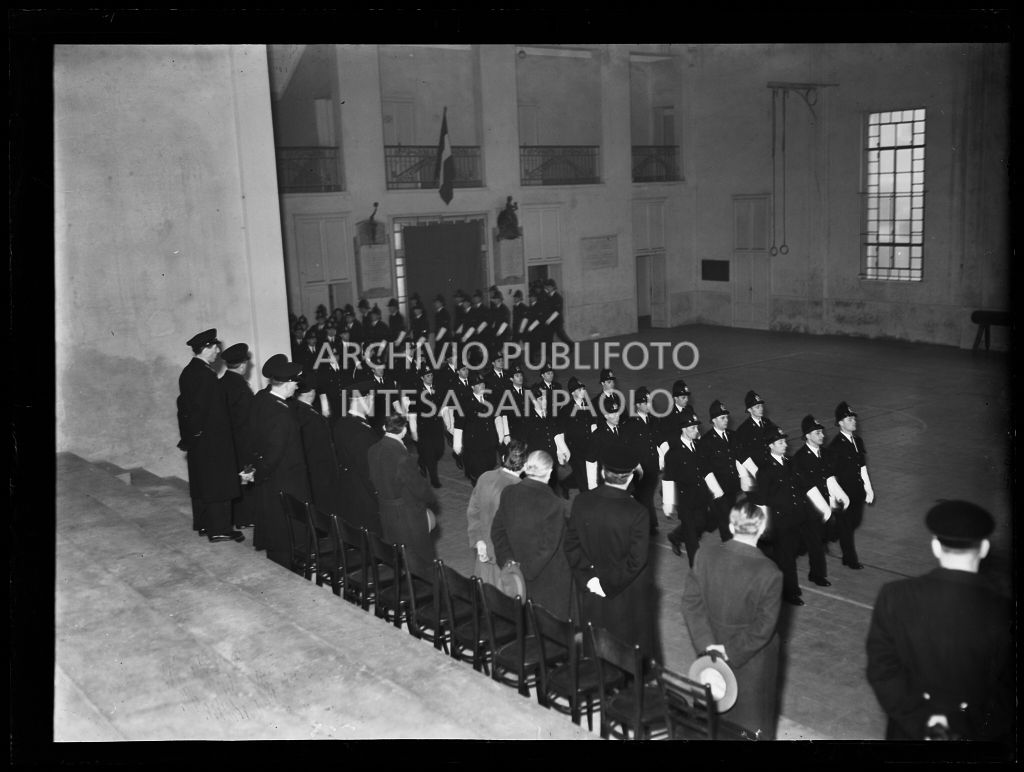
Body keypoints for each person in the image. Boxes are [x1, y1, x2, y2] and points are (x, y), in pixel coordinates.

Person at [865, 501, 1011, 742]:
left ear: (935, 546)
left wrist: (924, 722)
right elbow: (1006, 693)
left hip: (908, 732)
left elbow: (882, 671)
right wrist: (957, 724)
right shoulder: (1004, 611)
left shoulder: (894, 595)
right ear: (984, 548)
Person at [681, 495, 783, 740]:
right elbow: (763, 628)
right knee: (749, 727)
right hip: (751, 664)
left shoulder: (704, 555)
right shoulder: (769, 572)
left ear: (731, 524)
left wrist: (709, 647)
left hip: (710, 656)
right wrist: (730, 650)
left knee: (713, 718)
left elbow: (691, 604)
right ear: (760, 527)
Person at [564, 445, 657, 660]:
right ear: (629, 478)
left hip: (591, 593)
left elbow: (571, 545)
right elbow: (636, 561)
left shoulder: (581, 501)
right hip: (625, 596)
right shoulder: (637, 513)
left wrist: (590, 580)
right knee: (627, 656)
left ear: (603, 472)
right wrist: (606, 584)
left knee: (596, 650)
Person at [176, 328, 244, 542]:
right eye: (215, 348)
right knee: (218, 484)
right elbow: (212, 413)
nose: (217, 352)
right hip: (213, 440)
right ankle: (220, 529)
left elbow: (185, 409)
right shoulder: (206, 376)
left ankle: (205, 524)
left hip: (198, 440)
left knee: (202, 482)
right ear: (205, 348)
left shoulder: (189, 372)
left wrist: (193, 436)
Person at [492, 450, 573, 616]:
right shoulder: (554, 503)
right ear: (550, 472)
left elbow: (497, 532)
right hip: (548, 581)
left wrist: (510, 563)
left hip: (516, 575)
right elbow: (549, 546)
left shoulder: (508, 493)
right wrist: (528, 571)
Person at [246, 355, 308, 565]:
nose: (297, 386)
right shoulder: (283, 415)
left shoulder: (262, 399)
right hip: (285, 482)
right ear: (287, 384)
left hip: (270, 482)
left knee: (275, 533)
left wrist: (256, 471)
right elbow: (275, 453)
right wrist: (260, 473)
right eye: (295, 382)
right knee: (286, 537)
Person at [368, 414, 441, 576]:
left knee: (396, 557)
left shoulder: (373, 450)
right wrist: (431, 498)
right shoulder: (402, 456)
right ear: (404, 430)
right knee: (420, 560)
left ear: (383, 428)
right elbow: (419, 488)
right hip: (408, 515)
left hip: (386, 511)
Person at [790, 415, 849, 589]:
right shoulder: (800, 459)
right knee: (815, 543)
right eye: (817, 433)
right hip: (809, 508)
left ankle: (801, 552)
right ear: (807, 436)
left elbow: (829, 478)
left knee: (817, 540)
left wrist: (839, 496)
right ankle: (817, 575)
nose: (822, 435)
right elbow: (804, 487)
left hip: (825, 505)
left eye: (821, 432)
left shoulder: (827, 454)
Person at [755, 426, 812, 605]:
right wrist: (763, 526)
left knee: (789, 553)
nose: (785, 444)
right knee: (786, 556)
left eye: (784, 441)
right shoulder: (764, 470)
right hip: (779, 521)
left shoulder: (789, 462)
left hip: (794, 517)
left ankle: (780, 584)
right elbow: (761, 501)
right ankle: (790, 591)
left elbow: (801, 486)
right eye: (780, 442)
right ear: (771, 446)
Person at [466, 440, 527, 590]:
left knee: (485, 600)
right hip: (505, 561)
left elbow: (473, 511)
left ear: (503, 457)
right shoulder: (519, 489)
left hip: (484, 554)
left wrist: (478, 540)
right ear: (525, 464)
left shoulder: (485, 477)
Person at [826, 401, 874, 570]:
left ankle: (829, 533)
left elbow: (862, 466)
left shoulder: (858, 441)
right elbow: (829, 476)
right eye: (849, 418)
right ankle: (850, 558)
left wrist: (868, 488)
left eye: (853, 418)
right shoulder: (835, 447)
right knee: (847, 527)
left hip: (857, 491)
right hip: (843, 494)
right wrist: (834, 499)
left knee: (855, 522)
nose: (853, 421)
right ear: (840, 423)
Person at [332, 380, 382, 534]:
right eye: (371, 398)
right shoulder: (362, 433)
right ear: (362, 400)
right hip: (365, 499)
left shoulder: (342, 423)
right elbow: (369, 471)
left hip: (350, 492)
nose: (373, 402)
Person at [292, 371, 344, 519]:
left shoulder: (298, 409)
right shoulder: (310, 415)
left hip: (312, 465)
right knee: (325, 504)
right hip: (320, 466)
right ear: (311, 392)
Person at [663, 409, 711, 567]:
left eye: (697, 427)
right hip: (685, 501)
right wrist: (668, 503)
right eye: (692, 428)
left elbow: (706, 471)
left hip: (701, 497)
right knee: (692, 540)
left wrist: (715, 489)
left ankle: (676, 536)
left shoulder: (699, 446)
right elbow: (668, 479)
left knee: (701, 525)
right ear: (683, 429)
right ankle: (695, 570)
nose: (697, 431)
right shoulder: (673, 454)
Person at [220, 342, 256, 530]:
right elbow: (248, 418)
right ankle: (245, 518)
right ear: (242, 365)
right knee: (246, 478)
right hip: (244, 441)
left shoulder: (223, 382)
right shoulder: (240, 387)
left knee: (236, 478)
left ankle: (238, 517)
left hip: (230, 441)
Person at [698, 399, 742, 542]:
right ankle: (729, 549)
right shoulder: (706, 441)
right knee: (726, 520)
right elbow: (705, 468)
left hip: (732, 486)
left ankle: (683, 533)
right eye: (722, 418)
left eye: (726, 417)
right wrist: (715, 490)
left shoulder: (733, 436)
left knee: (716, 518)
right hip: (717, 489)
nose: (726, 420)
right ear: (713, 420)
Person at [622, 386, 661, 535]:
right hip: (640, 469)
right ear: (638, 405)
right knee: (644, 496)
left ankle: (643, 523)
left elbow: (657, 441)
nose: (649, 405)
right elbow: (626, 448)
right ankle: (649, 525)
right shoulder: (631, 424)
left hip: (653, 466)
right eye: (646, 403)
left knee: (645, 495)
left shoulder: (653, 420)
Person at [453, 371, 499, 485]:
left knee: (490, 465)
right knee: (478, 471)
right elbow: (459, 424)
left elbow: (495, 419)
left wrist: (500, 436)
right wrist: (457, 444)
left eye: (483, 384)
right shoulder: (465, 402)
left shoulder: (490, 399)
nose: (482, 386)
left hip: (489, 441)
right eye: (478, 385)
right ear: (472, 387)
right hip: (475, 443)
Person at [407, 363, 445, 489]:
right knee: (430, 453)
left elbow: (443, 406)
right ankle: (434, 479)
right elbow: (412, 413)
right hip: (424, 428)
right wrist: (413, 432)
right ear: (422, 378)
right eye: (427, 376)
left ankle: (421, 461)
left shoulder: (438, 388)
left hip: (437, 426)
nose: (430, 377)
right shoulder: (416, 392)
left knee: (439, 451)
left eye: (431, 375)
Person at [732, 390, 778, 488]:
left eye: (761, 406)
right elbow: (740, 454)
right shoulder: (743, 430)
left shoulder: (767, 423)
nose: (761, 409)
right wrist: (755, 472)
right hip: (757, 472)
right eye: (757, 407)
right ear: (749, 410)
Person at [560, 376, 596, 493]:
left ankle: (565, 483)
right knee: (583, 478)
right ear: (572, 392)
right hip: (575, 449)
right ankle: (586, 501)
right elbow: (560, 431)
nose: (583, 391)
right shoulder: (566, 410)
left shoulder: (588, 405)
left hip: (588, 446)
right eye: (579, 389)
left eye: (583, 389)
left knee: (584, 474)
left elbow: (593, 423)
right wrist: (562, 450)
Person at [542, 278, 572, 347]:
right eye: (546, 287)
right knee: (548, 337)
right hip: (550, 321)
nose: (547, 288)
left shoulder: (558, 297)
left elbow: (557, 312)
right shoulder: (548, 297)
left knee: (561, 335)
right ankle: (549, 351)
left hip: (557, 320)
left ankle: (571, 345)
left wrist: (548, 320)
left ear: (553, 287)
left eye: (549, 287)